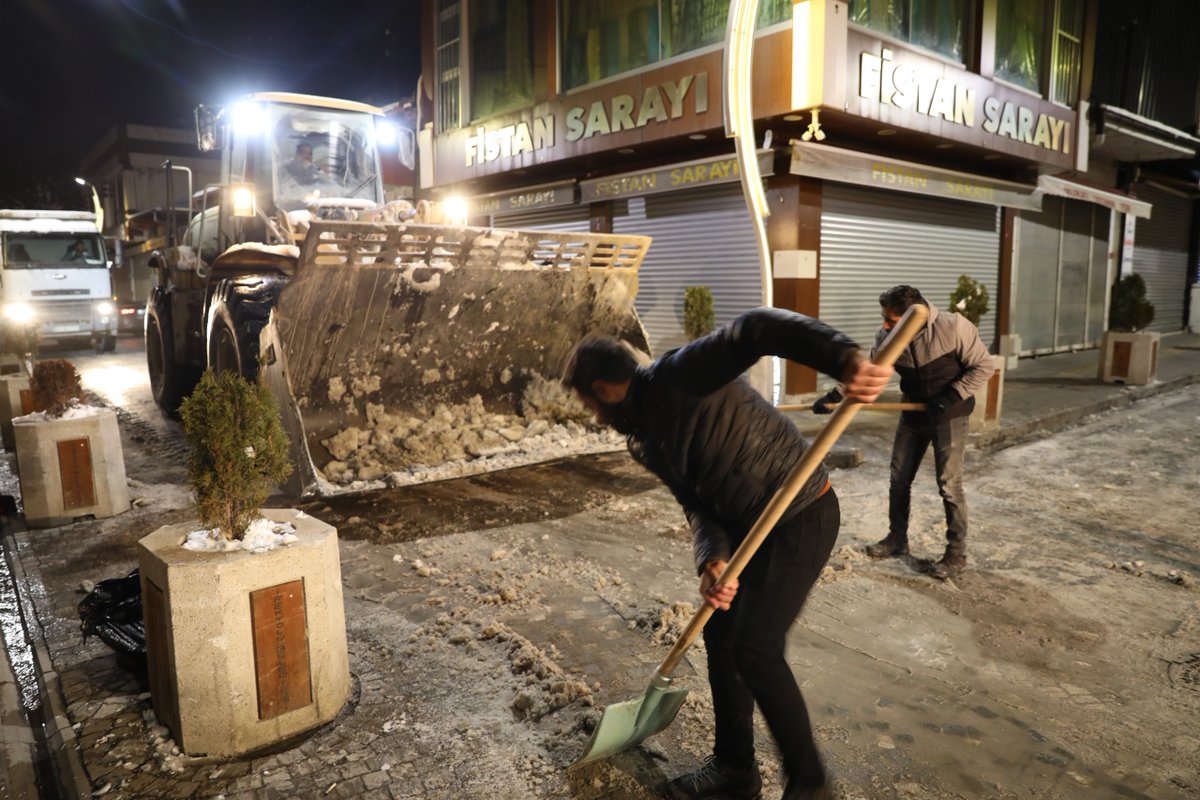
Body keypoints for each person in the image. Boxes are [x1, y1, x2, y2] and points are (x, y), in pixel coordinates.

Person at [563, 308, 892, 800]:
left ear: (606, 388)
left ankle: (810, 784)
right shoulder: (644, 440)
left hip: (800, 512)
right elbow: (695, 502)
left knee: (756, 649)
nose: (593, 415)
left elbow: (756, 329)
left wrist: (843, 358)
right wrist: (712, 558)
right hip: (746, 532)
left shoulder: (681, 374)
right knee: (722, 636)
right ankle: (735, 769)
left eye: (589, 403)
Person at [812, 285, 994, 579]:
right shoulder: (886, 337)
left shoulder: (953, 327)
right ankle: (897, 539)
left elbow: (983, 367)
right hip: (913, 412)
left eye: (891, 321)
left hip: (950, 413)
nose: (884, 326)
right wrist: (835, 395)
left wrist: (950, 396)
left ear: (915, 317)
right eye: (884, 318)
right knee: (899, 478)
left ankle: (956, 554)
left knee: (949, 484)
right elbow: (871, 370)